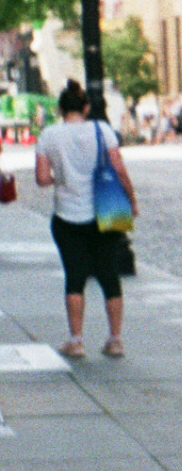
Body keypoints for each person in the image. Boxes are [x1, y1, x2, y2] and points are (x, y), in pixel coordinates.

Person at [35, 79, 138, 359]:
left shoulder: (49, 135)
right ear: (86, 107)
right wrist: (131, 200)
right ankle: (115, 340)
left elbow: (42, 178)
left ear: (60, 109)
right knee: (109, 275)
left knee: (74, 277)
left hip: (67, 216)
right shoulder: (102, 130)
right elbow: (119, 169)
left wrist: (62, 178)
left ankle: (76, 340)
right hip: (104, 213)